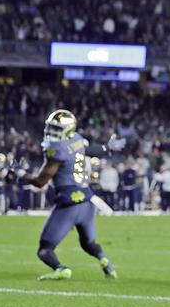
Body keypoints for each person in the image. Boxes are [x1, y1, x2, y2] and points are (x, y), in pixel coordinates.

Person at [21, 109, 124, 280]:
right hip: (87, 201)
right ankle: (104, 260)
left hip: (69, 203)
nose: (51, 132)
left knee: (45, 249)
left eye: (55, 129)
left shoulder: (56, 149)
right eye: (50, 128)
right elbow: (88, 150)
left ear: (67, 130)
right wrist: (107, 148)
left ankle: (61, 269)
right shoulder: (76, 140)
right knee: (88, 244)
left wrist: (20, 173)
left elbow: (40, 181)